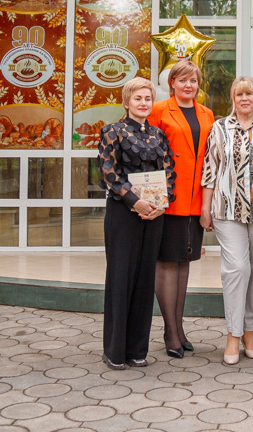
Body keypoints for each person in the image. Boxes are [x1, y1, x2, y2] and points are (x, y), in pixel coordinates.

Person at [199, 76, 253, 366]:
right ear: (233, 98)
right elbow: (210, 169)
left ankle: (249, 332)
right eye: (239, 94)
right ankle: (233, 334)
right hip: (227, 210)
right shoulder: (219, 128)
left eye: (249, 94)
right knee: (237, 269)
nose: (245, 99)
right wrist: (205, 208)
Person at [99, 76, 174, 369]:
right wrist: (134, 201)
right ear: (127, 102)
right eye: (138, 98)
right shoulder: (112, 132)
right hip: (123, 214)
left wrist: (161, 205)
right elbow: (109, 173)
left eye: (147, 98)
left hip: (153, 215)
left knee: (144, 280)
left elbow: (168, 172)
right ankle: (115, 351)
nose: (143, 103)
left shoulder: (158, 134)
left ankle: (137, 349)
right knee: (121, 279)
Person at [148, 60, 215, 358]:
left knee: (184, 262)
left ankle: (179, 327)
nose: (189, 85)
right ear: (172, 83)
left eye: (193, 80)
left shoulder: (207, 113)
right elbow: (145, 152)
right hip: (168, 199)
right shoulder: (158, 110)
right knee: (167, 263)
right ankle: (170, 331)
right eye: (183, 80)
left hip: (196, 199)